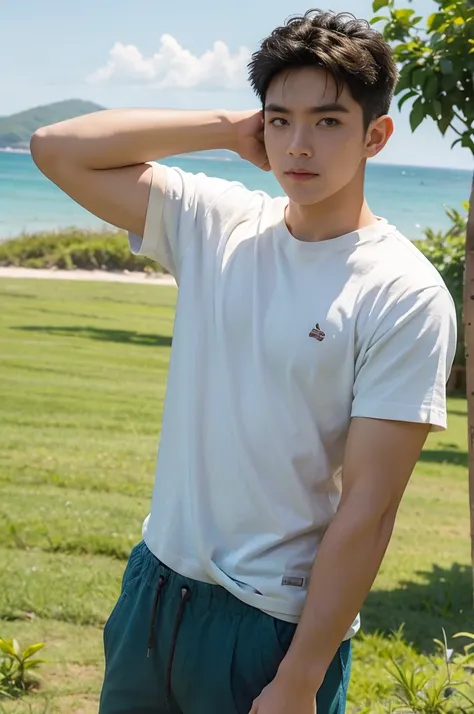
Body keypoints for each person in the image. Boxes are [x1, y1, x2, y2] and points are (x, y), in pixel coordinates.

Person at [30, 9, 457, 714]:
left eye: (327, 121)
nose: (299, 145)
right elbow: (57, 148)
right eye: (279, 119)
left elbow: (370, 511)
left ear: (375, 136)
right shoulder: (216, 222)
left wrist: (300, 676)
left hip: (271, 625)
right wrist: (225, 131)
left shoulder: (402, 293)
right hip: (155, 592)